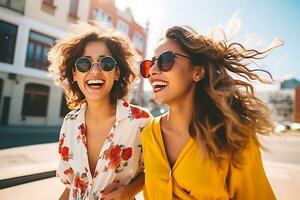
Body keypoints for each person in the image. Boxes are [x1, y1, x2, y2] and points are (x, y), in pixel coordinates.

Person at [139, 25, 282, 199]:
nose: (153, 71)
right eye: (149, 64)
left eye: (165, 60)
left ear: (197, 72)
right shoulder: (148, 134)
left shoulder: (233, 136)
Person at [48, 23, 151, 200]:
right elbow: (72, 186)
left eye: (106, 63)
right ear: (74, 73)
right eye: (84, 64)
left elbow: (155, 172)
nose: (95, 71)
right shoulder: (70, 122)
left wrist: (129, 191)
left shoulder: (141, 121)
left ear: (117, 73)